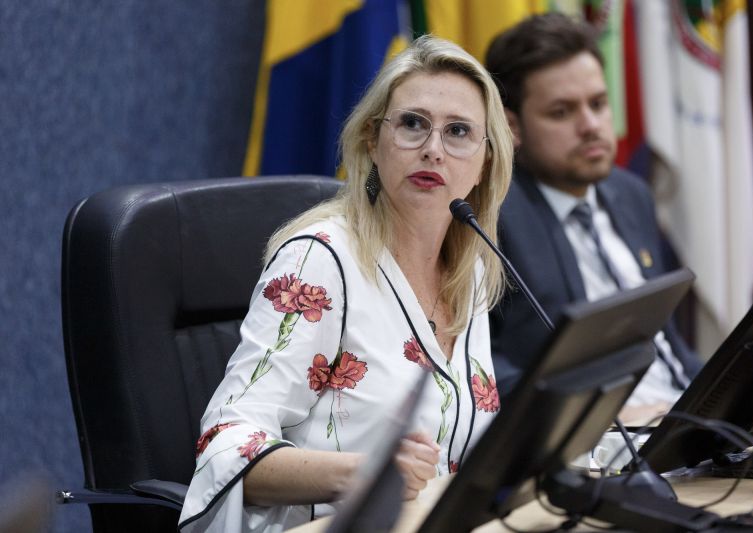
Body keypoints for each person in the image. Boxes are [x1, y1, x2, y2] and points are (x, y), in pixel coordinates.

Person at [178, 35, 513, 532]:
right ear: (371, 142)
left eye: (459, 131)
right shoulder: (319, 262)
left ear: (486, 161)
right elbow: (225, 444)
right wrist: (361, 473)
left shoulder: (472, 269)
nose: (433, 150)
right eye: (412, 124)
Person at [484, 13, 702, 422]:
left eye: (598, 104)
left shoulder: (630, 193)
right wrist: (606, 419)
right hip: (599, 444)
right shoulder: (491, 216)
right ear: (511, 127)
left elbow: (670, 346)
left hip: (679, 421)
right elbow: (483, 373)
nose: (591, 126)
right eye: (562, 112)